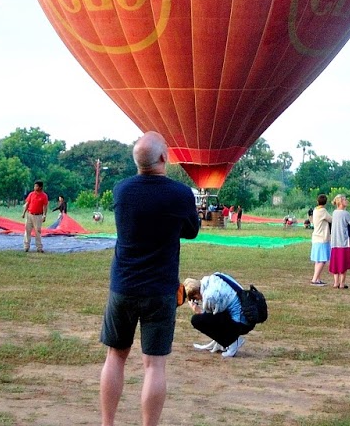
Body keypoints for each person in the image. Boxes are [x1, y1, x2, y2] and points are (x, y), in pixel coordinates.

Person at [99, 131, 201, 426]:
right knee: (154, 365)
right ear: (163, 157)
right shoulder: (180, 194)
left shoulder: (121, 190)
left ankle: (107, 423)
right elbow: (192, 230)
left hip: (123, 285)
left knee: (115, 357)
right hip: (160, 288)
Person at [184, 274, 252, 358]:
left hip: (242, 323)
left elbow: (211, 318)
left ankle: (233, 342)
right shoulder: (213, 279)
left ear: (196, 295)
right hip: (247, 314)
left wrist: (198, 311)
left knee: (197, 320)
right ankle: (221, 342)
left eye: (195, 298)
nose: (198, 300)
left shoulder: (209, 296)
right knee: (214, 316)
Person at [328, 194, 350, 289]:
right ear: (340, 202)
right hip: (344, 241)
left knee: (336, 262)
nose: (346, 201)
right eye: (344, 200)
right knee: (344, 263)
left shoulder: (334, 213)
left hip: (335, 242)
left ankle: (336, 282)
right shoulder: (345, 213)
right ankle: (342, 283)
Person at [309, 194, 332, 286]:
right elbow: (331, 219)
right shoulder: (323, 211)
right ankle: (314, 279)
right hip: (322, 238)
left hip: (316, 237)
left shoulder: (316, 210)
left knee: (317, 260)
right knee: (322, 260)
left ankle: (317, 278)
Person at [22, 180, 50, 253]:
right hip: (29, 214)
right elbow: (27, 204)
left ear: (40, 187)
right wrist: (24, 213)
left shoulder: (44, 196)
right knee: (27, 231)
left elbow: (45, 206)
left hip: (38, 216)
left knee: (38, 231)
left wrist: (44, 215)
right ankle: (26, 247)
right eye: (34, 186)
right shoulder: (31, 194)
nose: (35, 187)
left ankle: (39, 248)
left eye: (36, 186)